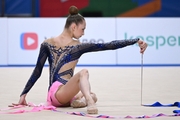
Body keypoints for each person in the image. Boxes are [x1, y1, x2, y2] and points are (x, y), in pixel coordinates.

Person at [11, 6, 147, 114]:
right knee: (84, 73)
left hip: (67, 93)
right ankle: (88, 101)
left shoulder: (75, 46)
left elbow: (107, 45)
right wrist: (23, 95)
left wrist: (135, 41)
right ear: (74, 27)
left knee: (93, 93)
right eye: (83, 29)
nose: (83, 33)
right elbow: (37, 70)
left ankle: (83, 99)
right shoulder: (48, 44)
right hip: (56, 93)